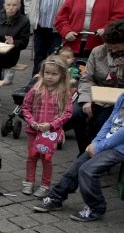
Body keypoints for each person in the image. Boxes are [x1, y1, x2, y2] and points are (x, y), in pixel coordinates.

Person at [34, 91, 124, 222]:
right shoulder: (122, 96)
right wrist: (96, 141)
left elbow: (122, 134)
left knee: (87, 170)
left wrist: (99, 147)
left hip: (119, 148)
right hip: (107, 142)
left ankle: (96, 207)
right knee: (78, 164)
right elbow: (110, 121)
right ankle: (57, 197)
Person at [67, 20, 124, 153]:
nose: (112, 50)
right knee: (75, 114)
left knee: (103, 120)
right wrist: (86, 100)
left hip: (119, 99)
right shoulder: (98, 51)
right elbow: (87, 78)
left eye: (116, 46)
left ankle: (96, 152)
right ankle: (84, 150)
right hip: (95, 94)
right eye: (109, 45)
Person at [21, 55, 73, 197]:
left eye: (54, 74)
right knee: (32, 156)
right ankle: (29, 181)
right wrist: (32, 122)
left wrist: (51, 125)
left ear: (62, 75)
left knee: (47, 158)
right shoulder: (35, 89)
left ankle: (45, 184)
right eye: (47, 73)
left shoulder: (64, 93)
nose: (49, 77)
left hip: (51, 133)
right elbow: (25, 107)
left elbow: (67, 113)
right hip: (33, 130)